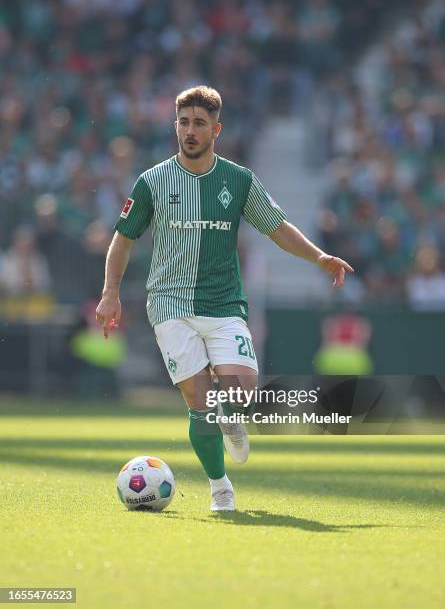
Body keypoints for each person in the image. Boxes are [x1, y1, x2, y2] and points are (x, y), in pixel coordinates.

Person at [96, 86, 353, 511]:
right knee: (200, 403)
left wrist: (320, 257)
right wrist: (110, 294)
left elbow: (277, 227)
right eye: (183, 122)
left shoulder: (239, 180)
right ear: (175, 125)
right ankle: (220, 487)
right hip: (169, 303)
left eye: (199, 123)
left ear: (216, 129)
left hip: (223, 303)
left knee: (240, 391)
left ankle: (231, 416)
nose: (190, 131)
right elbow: (122, 240)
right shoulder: (153, 182)